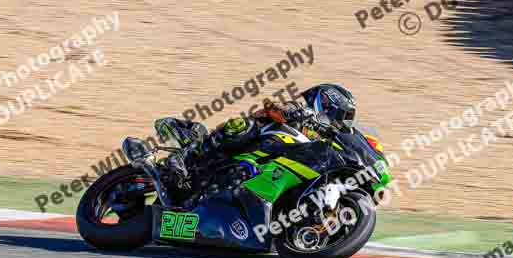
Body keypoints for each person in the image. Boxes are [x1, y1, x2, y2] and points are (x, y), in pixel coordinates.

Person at [154, 84, 359, 182]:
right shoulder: (301, 111)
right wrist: (290, 113)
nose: (342, 120)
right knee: (243, 126)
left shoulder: (323, 138)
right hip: (252, 147)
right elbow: (269, 107)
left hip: (275, 170)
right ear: (327, 103)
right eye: (343, 114)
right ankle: (188, 156)